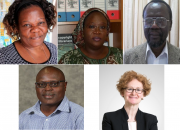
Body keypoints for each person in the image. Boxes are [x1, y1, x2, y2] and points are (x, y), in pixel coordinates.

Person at [19, 66, 84, 129]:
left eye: (54, 84)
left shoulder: (80, 116)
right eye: (41, 84)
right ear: (36, 87)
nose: (47, 88)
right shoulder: (24, 116)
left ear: (65, 85)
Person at [58, 8, 123, 64]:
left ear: (107, 31)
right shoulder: (68, 59)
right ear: (82, 30)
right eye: (92, 26)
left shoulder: (120, 55)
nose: (97, 31)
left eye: (102, 27)